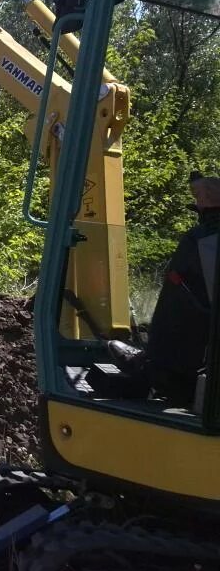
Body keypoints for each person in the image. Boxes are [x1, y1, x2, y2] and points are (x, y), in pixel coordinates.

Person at [115, 173, 220, 406]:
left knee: (177, 297)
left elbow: (176, 307)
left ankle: (150, 367)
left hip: (188, 369)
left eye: (198, 198)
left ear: (203, 204)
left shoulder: (200, 241)